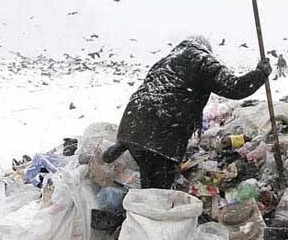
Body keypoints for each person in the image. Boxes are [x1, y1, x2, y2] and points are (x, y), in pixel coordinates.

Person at [102, 36, 271, 189]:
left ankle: (143, 210)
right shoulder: (202, 59)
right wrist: (260, 73)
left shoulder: (166, 61)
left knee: (150, 179)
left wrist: (127, 140)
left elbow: (150, 99)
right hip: (161, 137)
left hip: (132, 126)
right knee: (159, 190)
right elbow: (234, 87)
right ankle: (155, 218)